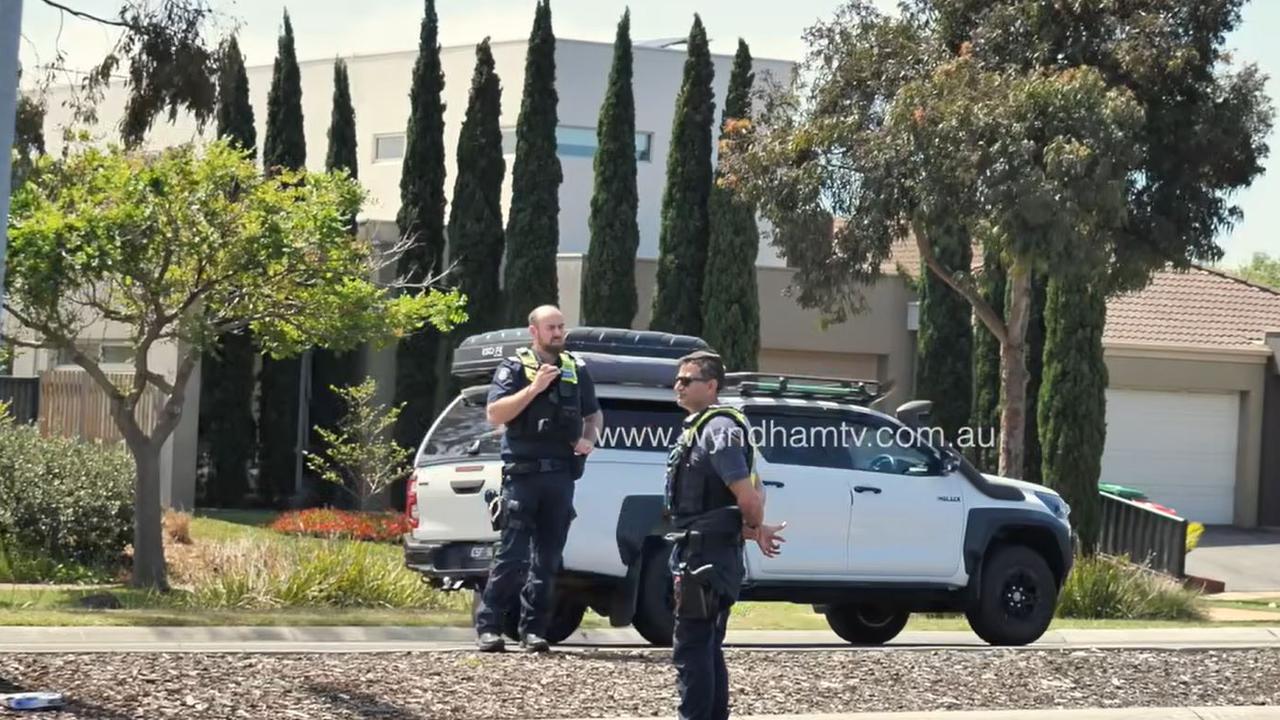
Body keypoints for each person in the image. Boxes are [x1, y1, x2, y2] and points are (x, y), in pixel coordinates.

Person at [473, 305, 603, 653]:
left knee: (548, 560)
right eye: (551, 327)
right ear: (534, 332)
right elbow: (494, 413)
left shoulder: (576, 369)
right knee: (512, 556)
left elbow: (593, 414)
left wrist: (589, 438)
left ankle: (533, 630)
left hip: (561, 476)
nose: (559, 333)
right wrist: (533, 389)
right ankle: (489, 626)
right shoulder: (515, 368)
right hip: (523, 476)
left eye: (561, 326)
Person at [664, 350, 786, 720]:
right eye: (678, 380)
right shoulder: (706, 427)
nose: (678, 387)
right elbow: (747, 491)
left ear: (712, 385)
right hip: (704, 550)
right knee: (707, 644)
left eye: (687, 381)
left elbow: (748, 494)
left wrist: (753, 522)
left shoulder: (718, 430)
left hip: (706, 557)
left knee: (692, 647)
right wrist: (753, 529)